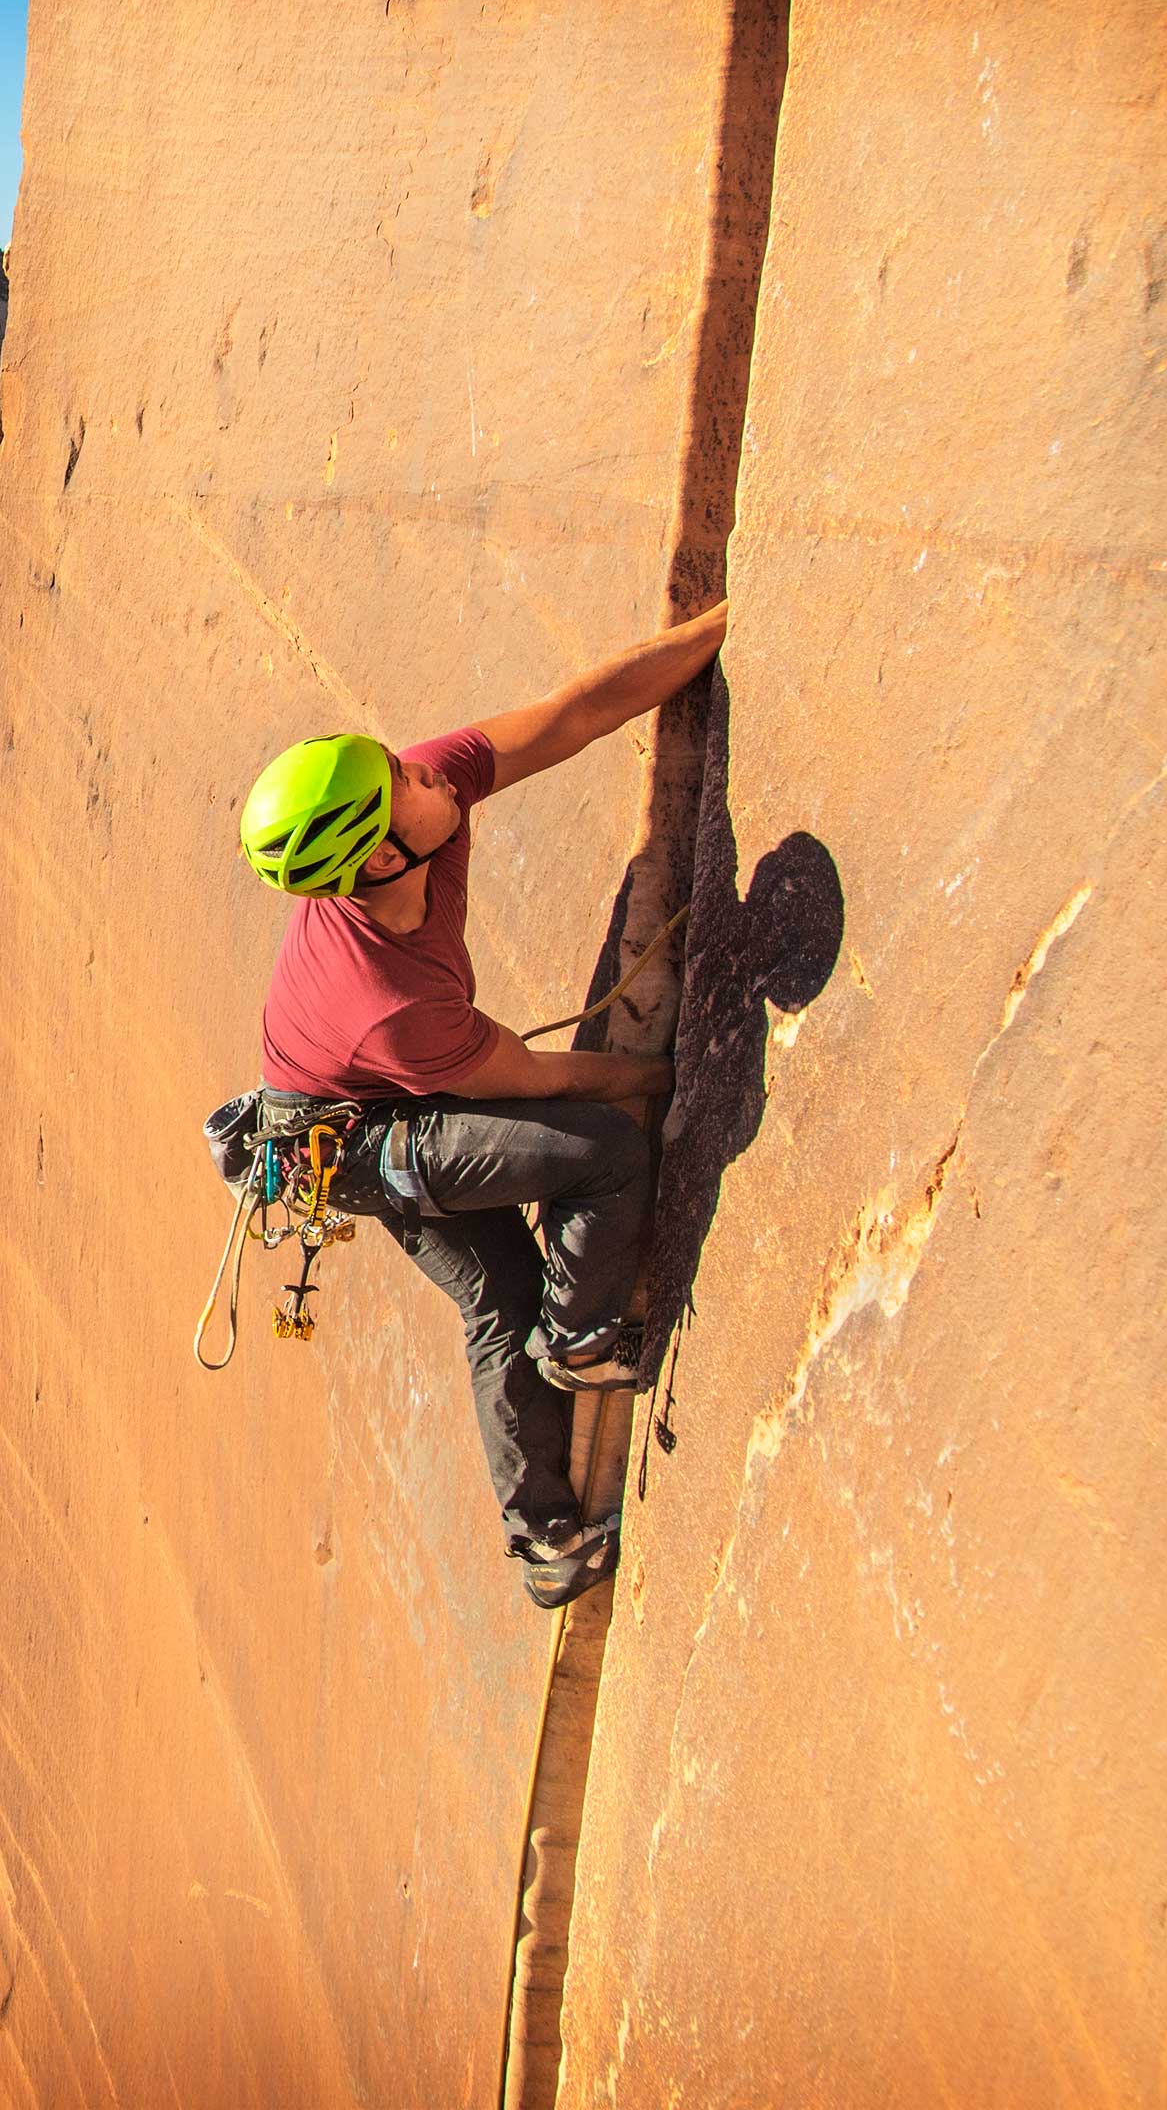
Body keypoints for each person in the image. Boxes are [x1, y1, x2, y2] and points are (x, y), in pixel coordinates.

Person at [236, 607, 727, 1607]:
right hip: (362, 1143)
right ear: (379, 858)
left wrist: (727, 622)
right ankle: (580, 1338)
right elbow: (542, 1083)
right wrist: (676, 1078)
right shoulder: (393, 1008)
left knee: (499, 1299)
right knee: (601, 1152)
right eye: (407, 782)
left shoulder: (415, 807)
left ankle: (544, 1539)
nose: (427, 771)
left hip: (358, 1106)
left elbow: (577, 712)